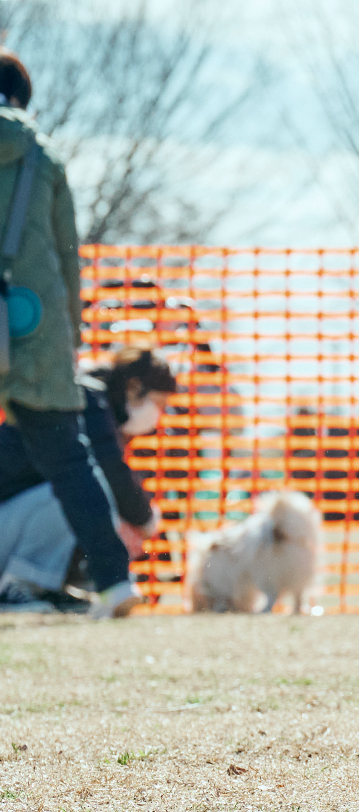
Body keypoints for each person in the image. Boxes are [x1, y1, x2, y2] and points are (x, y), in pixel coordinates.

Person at [0, 51, 140, 619]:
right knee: (67, 458)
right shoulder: (44, 158)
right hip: (33, 324)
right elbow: (66, 258)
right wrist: (69, 339)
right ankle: (115, 582)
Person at [0, 350, 175, 613]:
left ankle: (45, 586)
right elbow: (111, 471)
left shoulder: (86, 396)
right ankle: (19, 585)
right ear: (134, 387)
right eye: (158, 403)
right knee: (80, 491)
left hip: (12, 517)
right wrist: (144, 519)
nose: (160, 415)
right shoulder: (87, 397)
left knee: (86, 495)